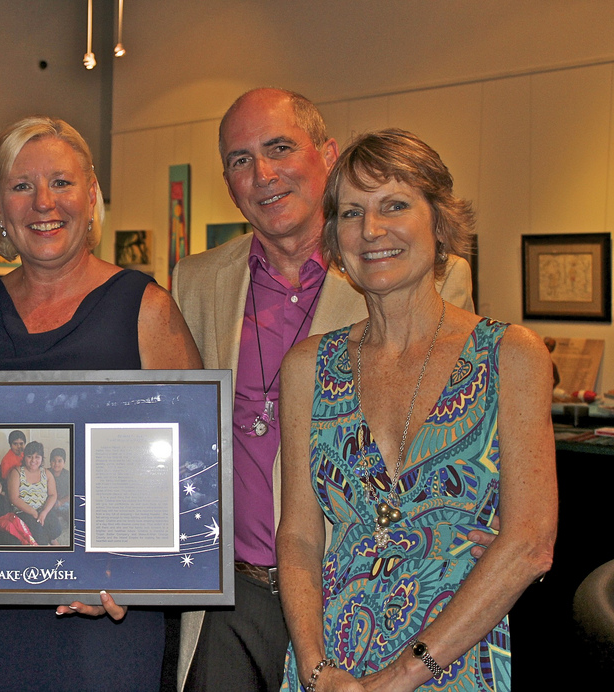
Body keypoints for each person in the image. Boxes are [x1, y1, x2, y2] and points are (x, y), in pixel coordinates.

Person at [170, 88, 482, 691]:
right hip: (228, 599)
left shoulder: (413, 274)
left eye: (279, 148)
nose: (262, 174)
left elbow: (443, 456)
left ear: (328, 155)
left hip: (355, 595)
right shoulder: (195, 281)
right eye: (239, 159)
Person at [0, 115, 202, 692]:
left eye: (62, 183)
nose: (43, 202)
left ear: (92, 195)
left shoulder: (147, 310)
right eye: (22, 186)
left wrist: (133, 578)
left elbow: (195, 483)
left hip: (105, 631)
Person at [276, 129, 557, 691]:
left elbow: (530, 544)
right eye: (351, 212)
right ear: (334, 238)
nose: (371, 230)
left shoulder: (509, 356)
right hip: (332, 665)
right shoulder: (308, 366)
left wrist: (404, 675)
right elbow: (300, 538)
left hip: (457, 659)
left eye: (395, 205)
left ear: (440, 221)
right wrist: (316, 668)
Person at [6, 440, 63, 545]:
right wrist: (33, 512)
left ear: (42, 459)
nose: (33, 460)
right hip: (24, 512)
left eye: (37, 457)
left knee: (56, 529)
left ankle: (52, 539)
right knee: (40, 537)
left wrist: (44, 512)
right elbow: (14, 498)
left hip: (42, 508)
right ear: (24, 457)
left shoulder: (46, 473)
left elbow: (52, 494)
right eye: (29, 456)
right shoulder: (16, 472)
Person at [49, 447, 71, 526]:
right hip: (50, 502)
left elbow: (72, 493)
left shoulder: (68, 475)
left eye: (59, 461)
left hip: (63, 502)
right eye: (54, 461)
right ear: (50, 462)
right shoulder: (46, 473)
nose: (56, 464)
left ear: (64, 462)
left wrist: (61, 502)